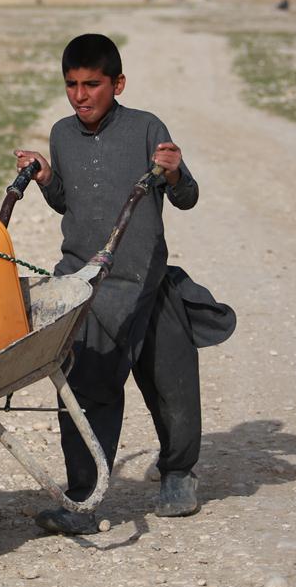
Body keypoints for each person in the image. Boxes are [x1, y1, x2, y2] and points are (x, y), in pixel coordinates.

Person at [15, 33, 234, 535]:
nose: (80, 95)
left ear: (118, 83)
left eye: (92, 84)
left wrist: (176, 175)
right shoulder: (62, 134)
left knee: (170, 382)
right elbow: (68, 202)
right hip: (83, 285)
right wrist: (48, 178)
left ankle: (178, 474)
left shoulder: (146, 129)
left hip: (145, 282)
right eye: (71, 84)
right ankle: (82, 499)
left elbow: (188, 197)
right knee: (83, 389)